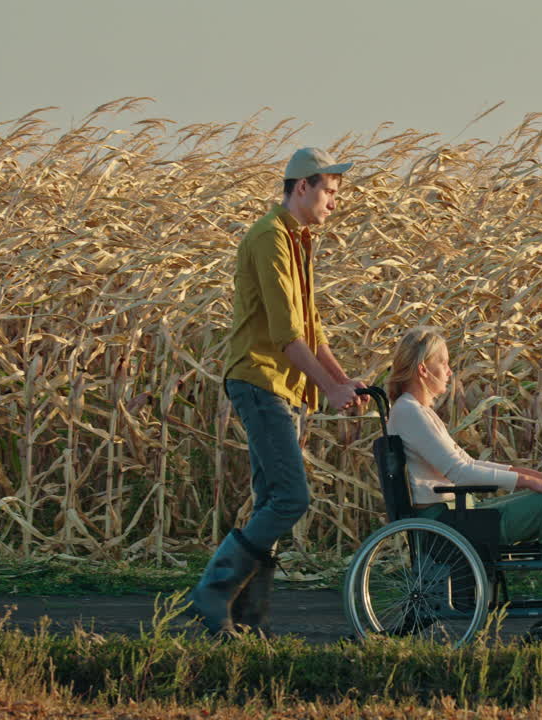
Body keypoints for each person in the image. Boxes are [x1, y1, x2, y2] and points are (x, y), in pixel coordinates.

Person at [189, 147, 367, 634]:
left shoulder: (295, 239)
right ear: (302, 187)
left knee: (272, 497)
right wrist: (329, 391)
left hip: (275, 384)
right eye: (329, 191)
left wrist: (341, 380)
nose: (334, 202)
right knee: (291, 497)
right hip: (258, 378)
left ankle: (248, 617)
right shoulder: (270, 237)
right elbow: (287, 336)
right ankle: (213, 592)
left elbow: (312, 329)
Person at [384, 326, 542, 637]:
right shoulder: (410, 412)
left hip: (455, 514)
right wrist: (526, 482)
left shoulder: (417, 411)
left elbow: (466, 462)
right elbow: (460, 472)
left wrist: (534, 476)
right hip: (446, 523)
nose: (450, 371)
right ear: (423, 369)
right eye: (444, 363)